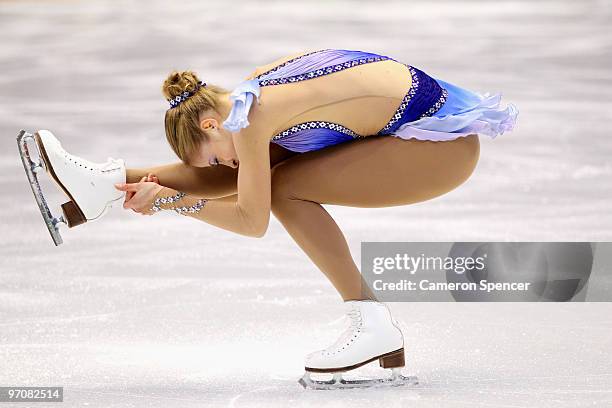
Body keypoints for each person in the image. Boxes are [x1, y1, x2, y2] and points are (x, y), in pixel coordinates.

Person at [33, 48, 518, 382]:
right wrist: (160, 193)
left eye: (216, 157)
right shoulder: (245, 99)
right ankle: (103, 182)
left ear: (210, 123)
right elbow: (246, 183)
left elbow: (253, 219)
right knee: (265, 173)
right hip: (406, 133)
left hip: (440, 148)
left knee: (283, 189)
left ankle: (371, 324)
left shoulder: (250, 118)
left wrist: (171, 203)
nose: (227, 164)